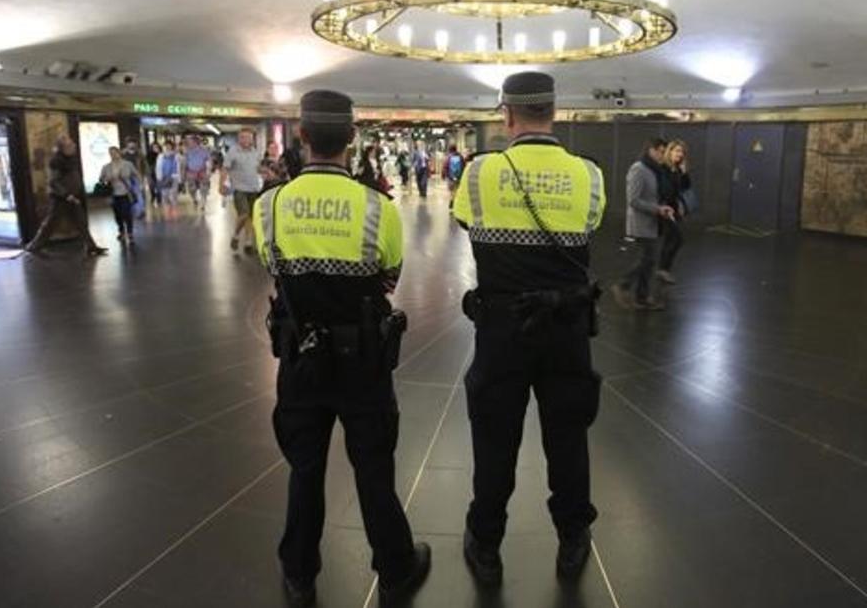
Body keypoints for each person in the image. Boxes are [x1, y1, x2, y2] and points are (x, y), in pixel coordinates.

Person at [251, 90, 430, 608]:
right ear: (352, 139)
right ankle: (396, 567)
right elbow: (389, 278)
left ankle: (299, 572)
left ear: (301, 137)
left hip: (299, 360)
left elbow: (273, 268)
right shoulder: (379, 208)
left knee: (305, 469)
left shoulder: (270, 206)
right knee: (373, 467)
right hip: (364, 363)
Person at [452, 71, 606, 586]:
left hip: (501, 332)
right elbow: (591, 228)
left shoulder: (477, 174)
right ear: (554, 112)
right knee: (568, 438)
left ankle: (487, 543)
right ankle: (572, 540)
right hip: (567, 333)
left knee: (495, 440)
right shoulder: (589, 175)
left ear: (507, 115)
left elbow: (465, 224)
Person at [612, 138, 673, 310]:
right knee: (648, 259)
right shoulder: (638, 169)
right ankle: (624, 285)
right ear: (651, 150)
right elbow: (633, 200)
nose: (663, 155)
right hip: (641, 224)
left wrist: (662, 208)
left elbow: (655, 194)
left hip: (654, 222)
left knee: (649, 261)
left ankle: (642, 297)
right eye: (661, 151)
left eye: (665, 152)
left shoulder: (656, 170)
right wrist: (657, 209)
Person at [25, 135, 107, 256]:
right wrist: (66, 195)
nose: (73, 146)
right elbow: (54, 181)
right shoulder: (57, 161)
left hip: (72, 196)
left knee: (81, 222)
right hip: (61, 198)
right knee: (51, 223)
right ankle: (34, 246)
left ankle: (91, 246)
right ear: (62, 148)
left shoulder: (70, 159)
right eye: (70, 145)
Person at [222, 128, 264, 254]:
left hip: (254, 188)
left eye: (248, 137)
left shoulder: (256, 152)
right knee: (244, 214)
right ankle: (235, 235)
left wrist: (265, 172)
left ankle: (248, 243)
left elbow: (257, 168)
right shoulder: (233, 152)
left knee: (251, 217)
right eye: (243, 137)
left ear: (252, 139)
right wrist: (221, 185)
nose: (246, 139)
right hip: (239, 188)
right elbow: (225, 169)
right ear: (239, 138)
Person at [657, 139, 692, 284]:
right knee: (676, 238)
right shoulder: (663, 169)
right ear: (669, 151)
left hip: (675, 209)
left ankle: (663, 269)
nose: (680, 154)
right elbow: (663, 190)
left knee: (671, 239)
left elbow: (685, 187)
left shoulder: (677, 169)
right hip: (665, 209)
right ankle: (663, 269)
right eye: (677, 151)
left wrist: (684, 173)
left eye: (682, 152)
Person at [98, 145, 141, 245]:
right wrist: (107, 179)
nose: (113, 155)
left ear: (119, 153)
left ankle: (130, 233)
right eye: (111, 153)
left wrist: (138, 185)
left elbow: (136, 174)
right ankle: (121, 230)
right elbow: (101, 179)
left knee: (127, 213)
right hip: (113, 193)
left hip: (126, 192)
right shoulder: (106, 167)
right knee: (117, 214)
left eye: (115, 153)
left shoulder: (127, 164)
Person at [182, 135, 210, 211]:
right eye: (188, 142)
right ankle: (194, 199)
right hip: (191, 172)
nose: (189, 143)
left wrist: (208, 172)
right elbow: (185, 163)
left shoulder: (204, 150)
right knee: (192, 189)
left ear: (195, 142)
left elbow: (208, 162)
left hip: (202, 172)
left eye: (190, 142)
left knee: (204, 189)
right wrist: (183, 174)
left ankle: (203, 203)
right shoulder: (187, 151)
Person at [156, 141, 181, 216]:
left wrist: (178, 178)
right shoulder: (160, 156)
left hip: (173, 177)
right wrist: (158, 177)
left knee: (173, 195)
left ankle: (174, 211)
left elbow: (178, 167)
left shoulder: (176, 156)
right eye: (165, 146)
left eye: (169, 146)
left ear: (171, 147)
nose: (167, 148)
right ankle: (167, 210)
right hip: (163, 178)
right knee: (164, 195)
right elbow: (158, 167)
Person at [145, 141, 162, 208]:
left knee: (159, 187)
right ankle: (153, 196)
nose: (155, 148)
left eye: (157, 147)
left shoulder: (161, 155)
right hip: (151, 172)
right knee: (151, 186)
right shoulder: (148, 155)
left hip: (159, 173)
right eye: (154, 147)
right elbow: (147, 164)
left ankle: (159, 198)